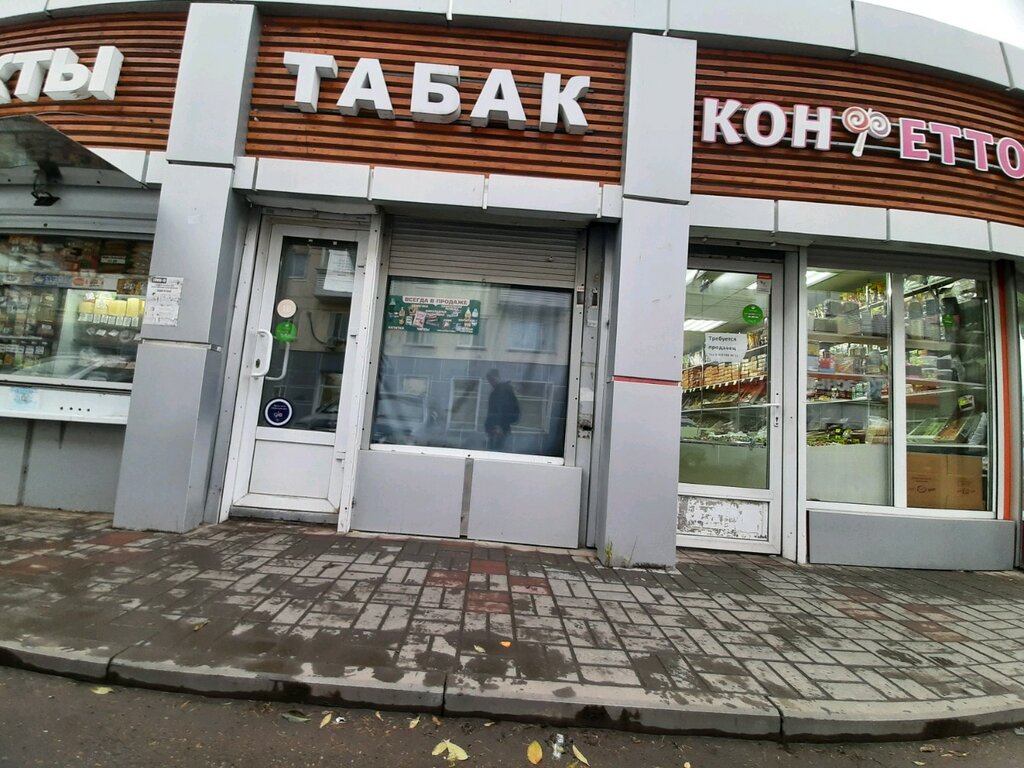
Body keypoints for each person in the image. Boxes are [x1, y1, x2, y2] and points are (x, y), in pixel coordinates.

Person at [484, 368, 519, 451]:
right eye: (489, 380)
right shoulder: (500, 390)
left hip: (499, 429)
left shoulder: (502, 391)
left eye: (491, 380)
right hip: (498, 429)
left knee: (496, 452)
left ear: (496, 378)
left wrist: (498, 426)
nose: (490, 383)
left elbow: (501, 410)